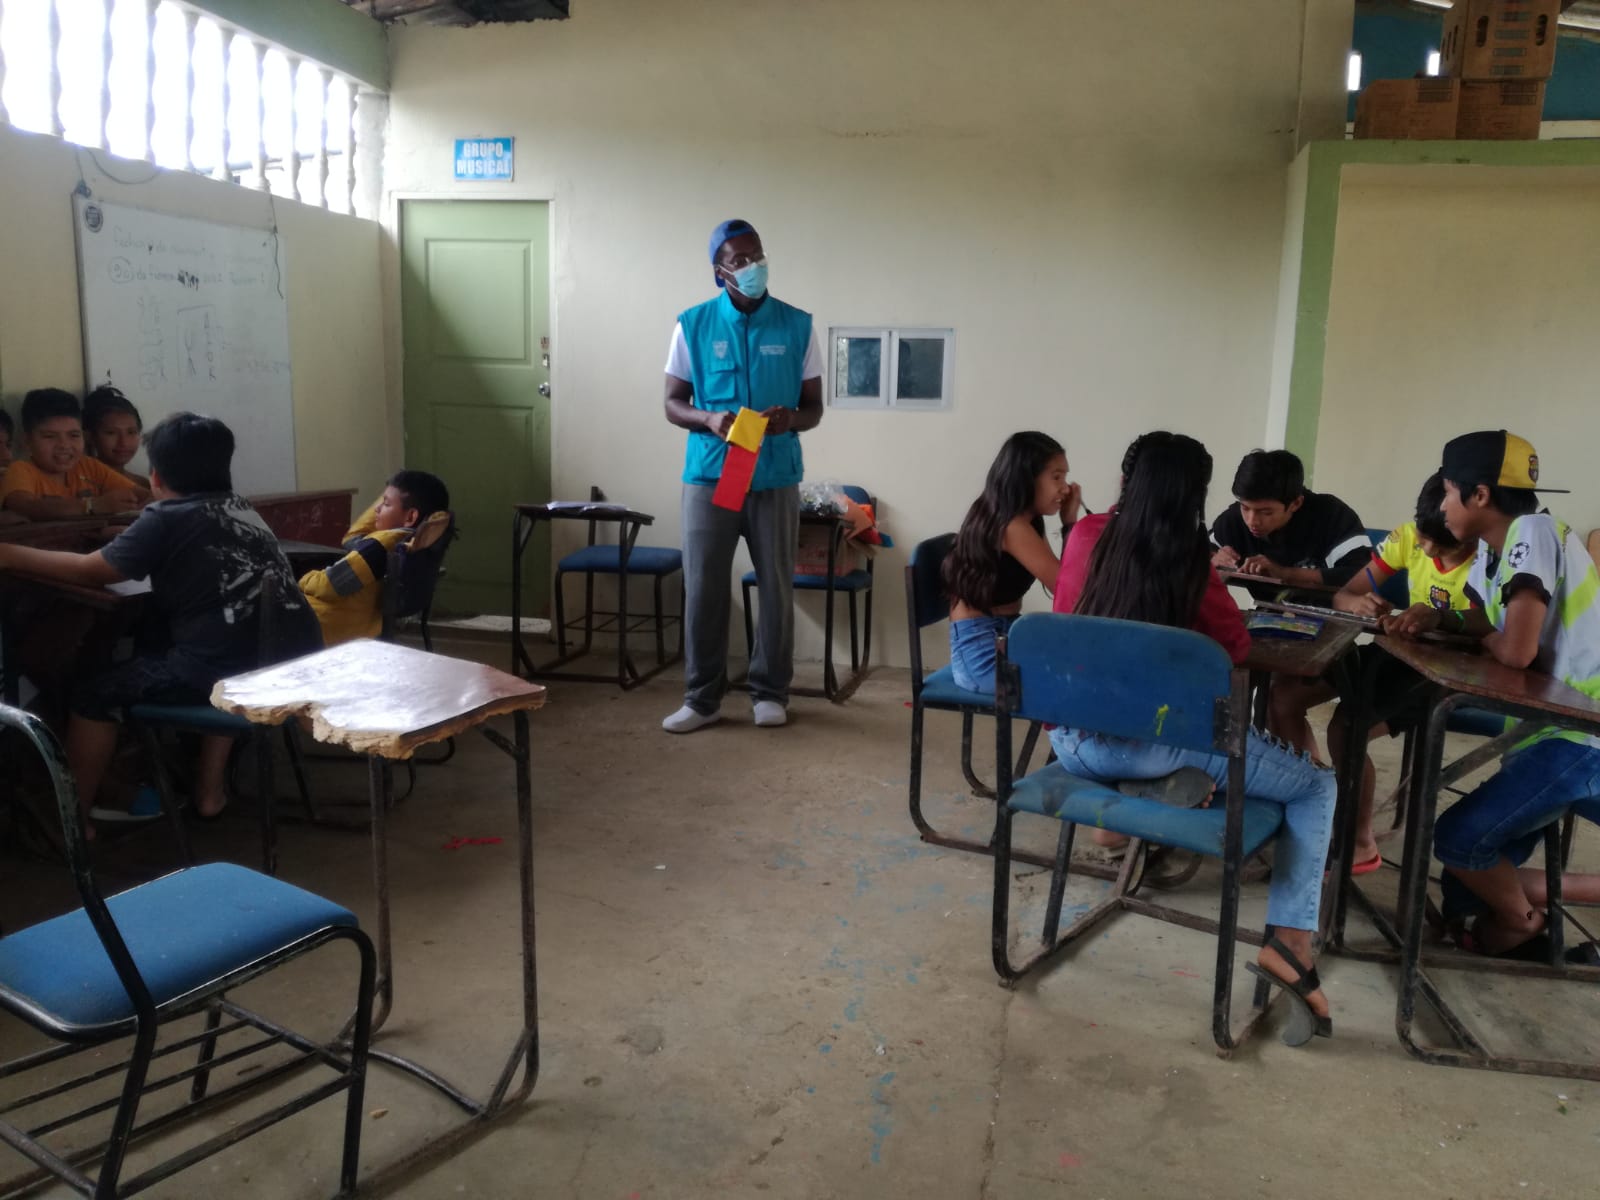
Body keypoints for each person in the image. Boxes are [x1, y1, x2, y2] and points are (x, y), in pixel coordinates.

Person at [1050, 431, 1338, 1041]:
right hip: (1147, 741)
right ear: (1197, 498)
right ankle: (1290, 945)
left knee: (1190, 749)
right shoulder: (1187, 561)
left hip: (1071, 741)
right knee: (1316, 787)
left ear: (1125, 482)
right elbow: (1234, 647)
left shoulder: (1082, 535)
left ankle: (1143, 787)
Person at [0, 413, 322, 830]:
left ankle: (71, 827)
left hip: (228, 674)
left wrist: (10, 554)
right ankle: (210, 792)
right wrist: (130, 538)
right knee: (209, 647)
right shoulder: (240, 507)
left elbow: (90, 571)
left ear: (155, 476)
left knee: (92, 695)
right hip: (291, 661)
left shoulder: (166, 517)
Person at [1391, 430, 1600, 960]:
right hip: (1541, 727)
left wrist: (1488, 638)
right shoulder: (1494, 551)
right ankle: (1523, 922)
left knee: (1458, 841)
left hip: (1580, 733)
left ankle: (1528, 921)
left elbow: (1516, 650)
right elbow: (1488, 619)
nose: (1442, 506)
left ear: (1479, 495)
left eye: (1446, 492)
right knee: (1464, 889)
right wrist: (1440, 616)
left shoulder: (1533, 531)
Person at [660, 219, 823, 734]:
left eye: (758, 255)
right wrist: (709, 419)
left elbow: (814, 408)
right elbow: (672, 402)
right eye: (740, 260)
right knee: (705, 585)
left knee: (775, 585)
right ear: (720, 271)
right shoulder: (693, 325)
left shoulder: (797, 325)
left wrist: (790, 419)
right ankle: (702, 698)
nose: (754, 266)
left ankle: (770, 693)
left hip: (772, 472)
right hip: (717, 471)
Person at [1324, 472, 1478, 875]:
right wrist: (1358, 604)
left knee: (1347, 729)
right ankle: (1317, 811)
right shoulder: (1408, 537)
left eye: (1442, 545)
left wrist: (1443, 620)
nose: (1427, 550)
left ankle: (1359, 840)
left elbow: (1498, 634)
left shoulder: (1487, 559)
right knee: (1290, 694)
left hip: (1449, 674)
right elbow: (1344, 594)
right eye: (1423, 538)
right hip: (1399, 656)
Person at [1211, 449, 1369, 755]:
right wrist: (1214, 561)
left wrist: (1288, 574)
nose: (1252, 521)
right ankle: (1280, 775)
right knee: (1235, 690)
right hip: (1272, 628)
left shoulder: (1331, 515)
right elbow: (1201, 555)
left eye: (1265, 512)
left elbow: (1363, 574)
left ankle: (1308, 779)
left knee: (1278, 702)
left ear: (1296, 503)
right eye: (1245, 508)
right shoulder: (1233, 521)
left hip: (1332, 632)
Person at [943, 431, 1078, 694]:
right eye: (1056, 477)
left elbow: (1062, 581)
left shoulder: (1028, 519)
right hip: (980, 649)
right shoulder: (1011, 526)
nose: (1066, 488)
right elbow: (1063, 586)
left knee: (1078, 669)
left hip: (1008, 632)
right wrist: (1070, 524)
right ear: (1027, 478)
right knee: (1066, 684)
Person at [300, 469, 451, 646]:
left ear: (411, 516)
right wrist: (391, 493)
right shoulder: (413, 538)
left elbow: (330, 585)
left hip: (325, 626)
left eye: (385, 504)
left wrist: (302, 579)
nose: (376, 509)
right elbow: (351, 540)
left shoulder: (379, 547)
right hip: (361, 626)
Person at [0, 388, 148, 520]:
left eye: (74, 435)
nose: (64, 445)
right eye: (50, 436)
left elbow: (146, 496)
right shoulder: (21, 470)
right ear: (27, 441)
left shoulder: (89, 467)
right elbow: (25, 506)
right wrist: (92, 506)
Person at [83, 384, 151, 490]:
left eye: (131, 432)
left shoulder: (143, 485)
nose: (124, 442)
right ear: (90, 436)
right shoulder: (80, 483)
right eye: (111, 433)